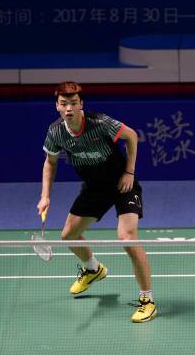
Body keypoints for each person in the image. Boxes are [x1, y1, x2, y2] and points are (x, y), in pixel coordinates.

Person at [36, 81, 156, 323]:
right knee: (68, 235)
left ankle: (147, 300)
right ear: (57, 106)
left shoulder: (100, 123)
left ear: (81, 104)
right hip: (94, 188)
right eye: (63, 103)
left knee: (127, 237)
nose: (68, 108)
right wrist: (45, 195)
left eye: (73, 103)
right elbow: (50, 162)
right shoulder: (56, 132)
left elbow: (131, 136)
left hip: (122, 184)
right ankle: (93, 269)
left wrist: (129, 172)